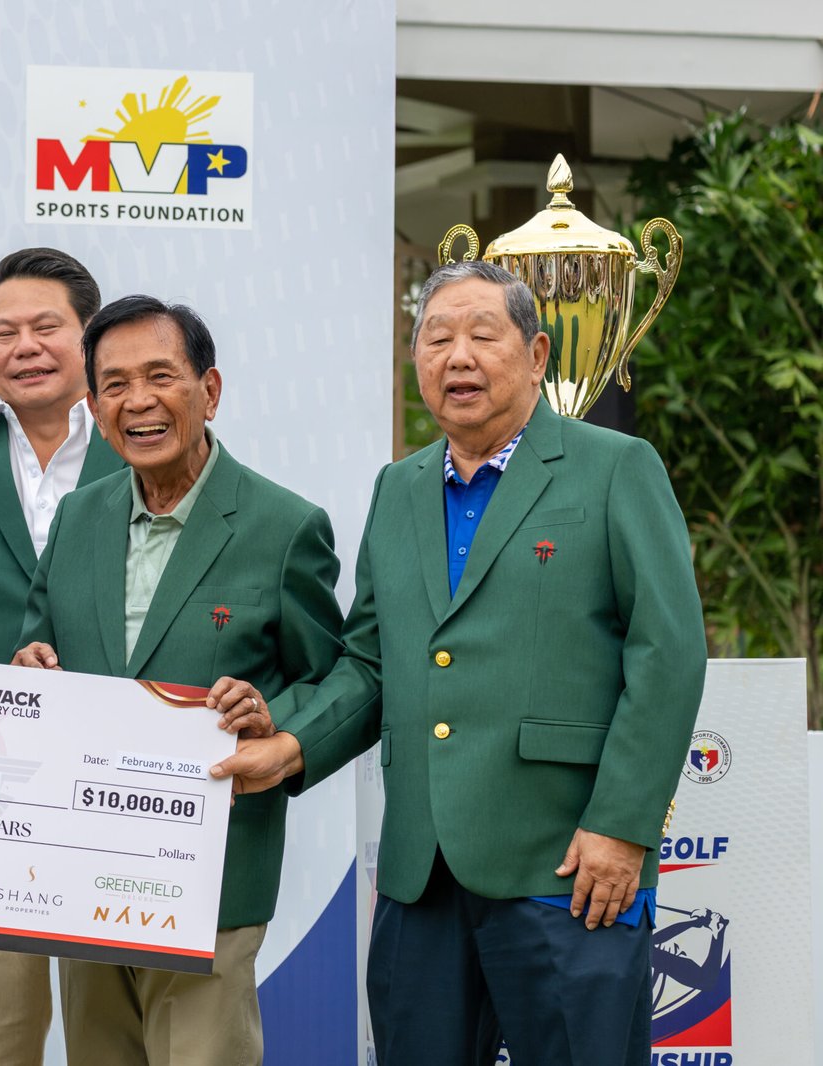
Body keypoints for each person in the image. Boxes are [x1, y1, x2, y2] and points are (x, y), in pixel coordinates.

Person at [213, 260, 708, 1066]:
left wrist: (620, 827)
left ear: (539, 355)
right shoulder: (398, 487)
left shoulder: (615, 466)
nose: (458, 356)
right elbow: (371, 660)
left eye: (484, 335)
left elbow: (670, 652)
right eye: (437, 338)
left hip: (567, 864)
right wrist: (292, 744)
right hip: (421, 875)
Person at [12, 295, 345, 1066]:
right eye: (115, 385)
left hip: (211, 881)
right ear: (93, 407)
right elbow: (41, 642)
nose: (139, 402)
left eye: (161, 376)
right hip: (82, 871)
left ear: (210, 390)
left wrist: (274, 718)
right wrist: (30, 665)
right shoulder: (78, 518)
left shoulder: (285, 526)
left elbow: (332, 679)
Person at [0, 247, 123, 1066]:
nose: (25, 346)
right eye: (2, 332)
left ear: (90, 336)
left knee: (113, 1035)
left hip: (112, 781)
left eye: (47, 327)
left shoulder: (149, 444)